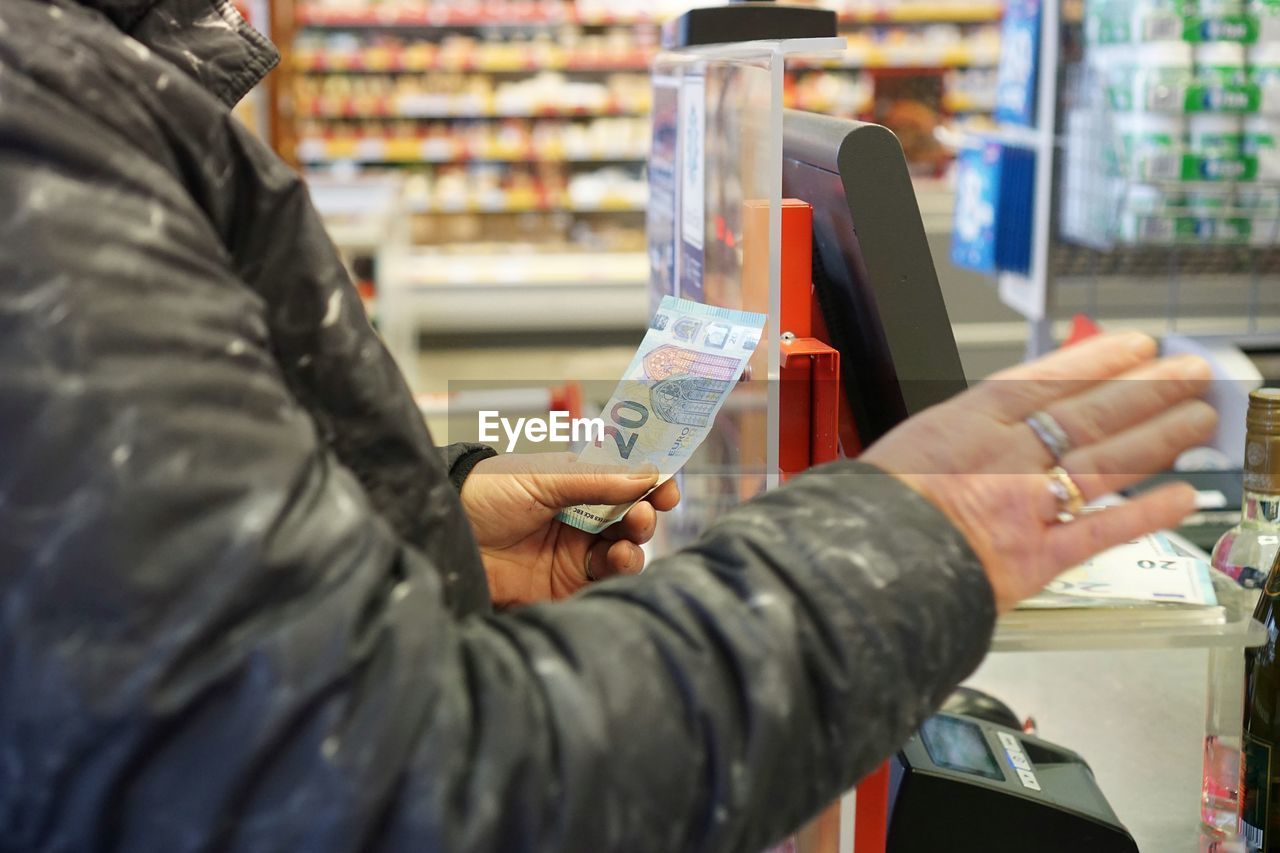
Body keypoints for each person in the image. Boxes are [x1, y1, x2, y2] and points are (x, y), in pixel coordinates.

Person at [0, 1, 1217, 851]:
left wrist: (419, 532)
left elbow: (136, 615)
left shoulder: (84, 86)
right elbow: (371, 792)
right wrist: (896, 542)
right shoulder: (43, 128)